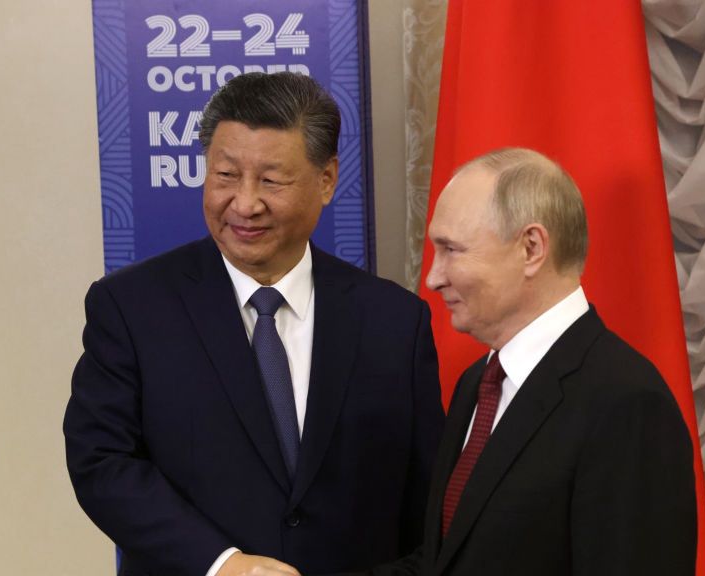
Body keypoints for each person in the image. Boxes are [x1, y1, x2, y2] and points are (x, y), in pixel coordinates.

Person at [63, 72, 444, 576]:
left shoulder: (395, 320)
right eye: (224, 176)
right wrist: (223, 565)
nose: (244, 203)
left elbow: (429, 498)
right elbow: (102, 462)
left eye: (271, 180)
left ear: (327, 179)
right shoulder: (132, 307)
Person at [371, 148, 697, 575]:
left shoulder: (627, 404)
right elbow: (441, 565)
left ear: (531, 247)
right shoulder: (479, 383)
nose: (433, 277)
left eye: (452, 250)